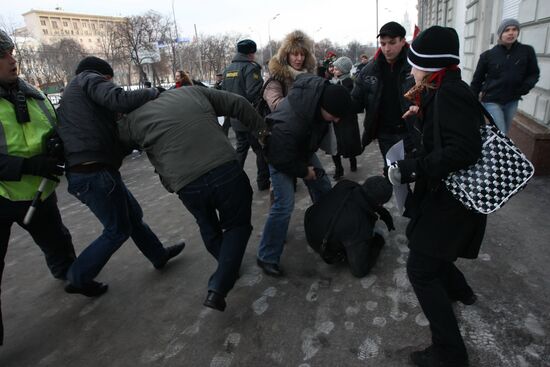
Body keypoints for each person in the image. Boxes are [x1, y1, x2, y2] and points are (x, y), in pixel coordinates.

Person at [118, 86, 269, 312]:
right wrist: (262, 132)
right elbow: (238, 102)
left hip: (187, 184)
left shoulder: (132, 120)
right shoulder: (191, 92)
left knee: (207, 225)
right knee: (237, 225)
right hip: (224, 170)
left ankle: (228, 265)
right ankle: (221, 282)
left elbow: (111, 145)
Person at [387, 26, 487, 367]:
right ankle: (460, 291)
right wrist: (422, 115)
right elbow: (449, 132)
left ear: (429, 65)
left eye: (415, 62)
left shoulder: (451, 93)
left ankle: (449, 354)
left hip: (455, 198)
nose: (410, 69)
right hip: (446, 195)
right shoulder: (442, 89)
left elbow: (464, 149)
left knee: (421, 269)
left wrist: (413, 167)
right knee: (424, 245)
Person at [57, 56, 185, 297]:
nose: (110, 85)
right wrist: (152, 92)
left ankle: (158, 255)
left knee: (133, 217)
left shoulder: (75, 99)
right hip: (93, 172)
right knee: (117, 229)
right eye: (109, 81)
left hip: (94, 171)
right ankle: (79, 275)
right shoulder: (89, 78)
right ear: (104, 76)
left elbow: (110, 134)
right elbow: (119, 100)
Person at [0, 29, 77, 346]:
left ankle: (73, 278)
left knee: (58, 245)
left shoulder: (34, 94)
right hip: (2, 197)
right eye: (2, 56)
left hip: (40, 194)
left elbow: (56, 128)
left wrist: (60, 144)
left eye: (11, 53)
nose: (11, 60)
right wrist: (28, 165)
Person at [257, 75, 351, 277]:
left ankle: (328, 231)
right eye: (333, 116)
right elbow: (280, 157)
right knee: (284, 204)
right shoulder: (290, 123)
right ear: (322, 107)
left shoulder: (319, 100)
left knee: (324, 188)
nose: (336, 120)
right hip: (278, 153)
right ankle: (267, 255)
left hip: (301, 148)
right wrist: (303, 172)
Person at [304, 176, 394, 278]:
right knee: (361, 243)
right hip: (322, 245)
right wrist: (378, 241)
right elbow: (359, 270)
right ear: (380, 203)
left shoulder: (346, 184)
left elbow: (367, 197)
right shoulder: (360, 224)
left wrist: (382, 212)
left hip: (311, 221)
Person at [351, 21, 416, 162]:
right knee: (392, 175)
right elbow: (355, 102)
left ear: (403, 41)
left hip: (411, 132)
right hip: (384, 134)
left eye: (392, 43)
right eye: (383, 43)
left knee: (413, 174)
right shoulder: (369, 70)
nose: (387, 48)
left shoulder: (415, 67)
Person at [470, 18, 540, 135]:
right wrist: (471, 100)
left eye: (514, 29)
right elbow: (477, 80)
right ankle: (493, 151)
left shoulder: (526, 51)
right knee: (501, 132)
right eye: (507, 30)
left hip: (512, 100)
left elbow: (534, 73)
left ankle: (494, 151)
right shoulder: (488, 55)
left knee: (504, 133)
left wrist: (524, 88)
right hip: (491, 100)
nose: (511, 33)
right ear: (500, 34)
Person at [222, 39, 270, 191]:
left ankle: (233, 181)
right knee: (261, 150)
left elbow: (223, 93)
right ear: (251, 53)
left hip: (235, 117)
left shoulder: (228, 69)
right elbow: (253, 92)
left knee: (240, 149)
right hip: (250, 117)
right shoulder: (251, 68)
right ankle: (263, 181)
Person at [264, 30, 317, 112]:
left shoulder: (310, 74)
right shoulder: (275, 74)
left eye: (302, 54)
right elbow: (275, 105)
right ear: (286, 55)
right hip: (284, 123)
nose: (299, 59)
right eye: (295, 54)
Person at [330, 56, 362, 179]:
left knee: (348, 143)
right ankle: (339, 169)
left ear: (344, 70)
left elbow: (350, 103)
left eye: (337, 69)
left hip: (346, 120)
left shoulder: (348, 83)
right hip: (335, 119)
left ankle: (352, 162)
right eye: (334, 68)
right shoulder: (335, 81)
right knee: (335, 146)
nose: (334, 70)